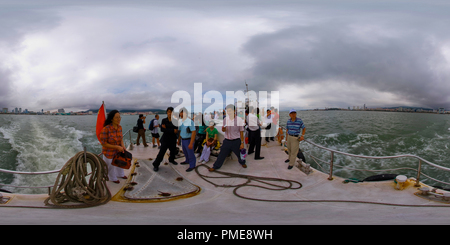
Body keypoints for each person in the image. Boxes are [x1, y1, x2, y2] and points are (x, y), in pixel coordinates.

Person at [209, 104, 246, 171]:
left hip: (236, 141)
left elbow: (241, 131)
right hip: (227, 141)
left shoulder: (239, 120)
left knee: (240, 154)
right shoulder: (225, 119)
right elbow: (224, 130)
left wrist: (242, 143)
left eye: (230, 111)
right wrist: (223, 129)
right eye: (227, 111)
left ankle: (242, 163)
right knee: (221, 154)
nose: (228, 112)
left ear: (234, 110)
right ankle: (215, 166)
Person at [99, 110, 127, 184]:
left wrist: (123, 146)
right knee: (110, 166)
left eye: (119, 117)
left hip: (118, 151)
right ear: (111, 119)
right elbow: (103, 143)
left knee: (119, 163)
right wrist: (117, 147)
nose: (118, 119)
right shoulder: (106, 129)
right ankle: (112, 178)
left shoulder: (119, 127)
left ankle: (120, 174)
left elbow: (120, 138)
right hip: (109, 152)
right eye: (116, 117)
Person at [152, 107, 179, 172]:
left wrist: (166, 129)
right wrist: (172, 130)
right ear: (167, 113)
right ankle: (156, 164)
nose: (170, 113)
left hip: (173, 139)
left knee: (173, 151)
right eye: (168, 112)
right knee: (161, 152)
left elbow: (176, 131)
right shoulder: (164, 120)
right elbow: (162, 129)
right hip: (165, 139)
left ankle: (171, 160)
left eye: (171, 112)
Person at [177, 107, 197, 172]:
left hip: (188, 140)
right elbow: (180, 131)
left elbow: (194, 132)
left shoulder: (190, 122)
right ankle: (187, 161)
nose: (182, 114)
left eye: (183, 112)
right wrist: (178, 140)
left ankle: (192, 165)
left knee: (190, 153)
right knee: (185, 152)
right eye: (181, 112)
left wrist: (191, 143)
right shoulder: (181, 122)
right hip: (183, 139)